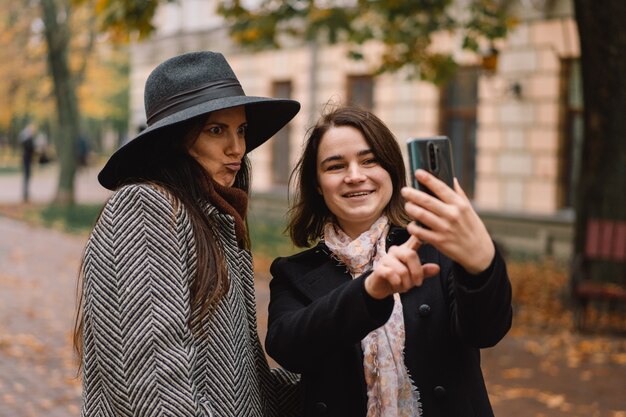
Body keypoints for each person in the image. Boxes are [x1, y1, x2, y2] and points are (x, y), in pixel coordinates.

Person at [73, 51, 302, 417]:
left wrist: (345, 379)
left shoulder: (218, 221)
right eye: (216, 130)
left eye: (240, 130)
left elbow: (244, 386)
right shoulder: (145, 208)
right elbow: (152, 388)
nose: (237, 148)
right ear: (177, 139)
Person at [265, 105, 512, 417]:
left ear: (392, 171)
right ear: (317, 184)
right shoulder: (295, 272)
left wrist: (482, 263)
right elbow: (288, 348)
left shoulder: (438, 247)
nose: (355, 176)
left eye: (370, 161)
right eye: (335, 166)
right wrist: (369, 292)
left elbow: (486, 332)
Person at [18, 122, 36, 202]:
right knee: (26, 176)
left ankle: (26, 193)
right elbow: (31, 148)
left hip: (27, 159)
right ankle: (25, 194)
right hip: (27, 159)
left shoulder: (26, 139)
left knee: (27, 176)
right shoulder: (28, 139)